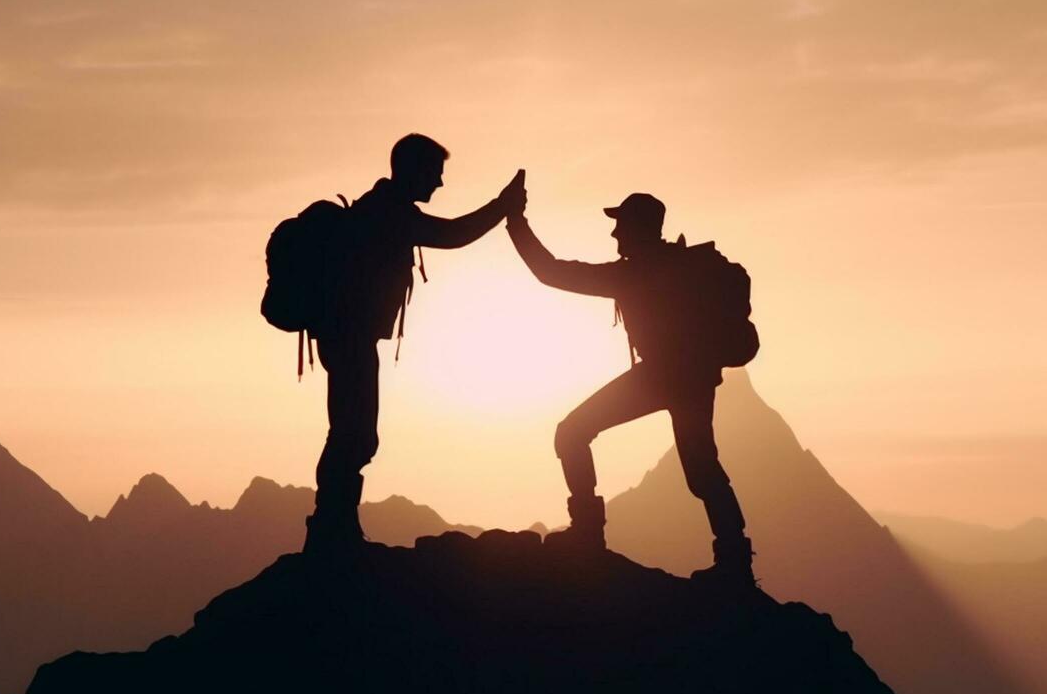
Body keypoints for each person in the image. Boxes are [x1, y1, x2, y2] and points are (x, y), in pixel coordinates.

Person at [505, 182, 754, 585]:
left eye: (620, 226)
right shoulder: (680, 265)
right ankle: (736, 561)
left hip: (661, 376)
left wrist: (515, 222)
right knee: (703, 467)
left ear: (637, 229)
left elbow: (551, 272)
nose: (614, 234)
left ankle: (587, 534)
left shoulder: (633, 274)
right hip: (694, 376)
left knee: (571, 433)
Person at [306, 134, 525, 551]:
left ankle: (334, 526)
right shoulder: (388, 214)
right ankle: (331, 530)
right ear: (414, 170)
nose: (439, 184)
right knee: (354, 434)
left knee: (351, 432)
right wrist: (503, 206)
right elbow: (454, 234)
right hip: (350, 338)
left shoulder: (382, 209)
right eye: (436, 174)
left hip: (346, 336)